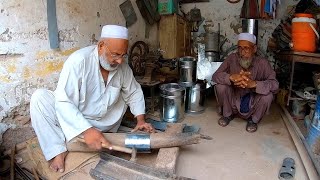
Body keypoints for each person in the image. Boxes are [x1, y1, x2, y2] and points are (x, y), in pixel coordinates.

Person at [30, 25, 154, 173]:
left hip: (106, 124)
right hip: (79, 121)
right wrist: (87, 130)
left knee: (128, 88)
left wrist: (140, 120)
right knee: (39, 98)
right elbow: (64, 100)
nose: (120, 61)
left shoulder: (123, 68)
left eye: (123, 55)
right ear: (101, 46)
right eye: (115, 55)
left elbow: (134, 92)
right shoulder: (78, 61)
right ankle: (57, 151)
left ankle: (83, 139)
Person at [212, 33, 279, 133]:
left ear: (254, 49)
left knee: (268, 96)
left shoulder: (263, 63)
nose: (242, 52)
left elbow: (275, 85)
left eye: (246, 48)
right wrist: (230, 77)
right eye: (240, 48)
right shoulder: (232, 58)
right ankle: (227, 114)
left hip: (252, 104)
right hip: (233, 101)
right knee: (220, 86)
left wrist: (255, 84)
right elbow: (215, 76)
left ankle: (253, 120)